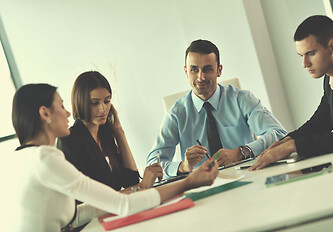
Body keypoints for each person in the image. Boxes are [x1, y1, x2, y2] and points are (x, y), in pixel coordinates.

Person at [0, 83, 218, 232]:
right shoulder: (45, 158)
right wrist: (188, 182)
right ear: (45, 113)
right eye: (62, 106)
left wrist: (134, 191)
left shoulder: (21, 159)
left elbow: (74, 215)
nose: (67, 113)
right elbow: (123, 206)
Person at [146, 39, 287, 177]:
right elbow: (153, 165)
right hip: (201, 188)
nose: (200, 77)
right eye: (194, 69)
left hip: (248, 176)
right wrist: (183, 166)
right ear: (186, 72)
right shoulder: (176, 114)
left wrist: (241, 152)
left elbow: (280, 134)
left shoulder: (242, 99)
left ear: (219, 70)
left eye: (207, 69)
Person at [250, 15, 333, 170]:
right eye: (301, 56)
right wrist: (286, 140)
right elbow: (319, 123)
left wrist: (293, 146)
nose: (304, 64)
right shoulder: (332, 76)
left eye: (311, 53)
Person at [57, 71, 161, 191]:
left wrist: (119, 131)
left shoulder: (105, 134)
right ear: (81, 103)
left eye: (107, 101)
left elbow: (131, 180)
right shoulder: (70, 140)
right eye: (95, 103)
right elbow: (94, 198)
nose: (102, 109)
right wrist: (142, 186)